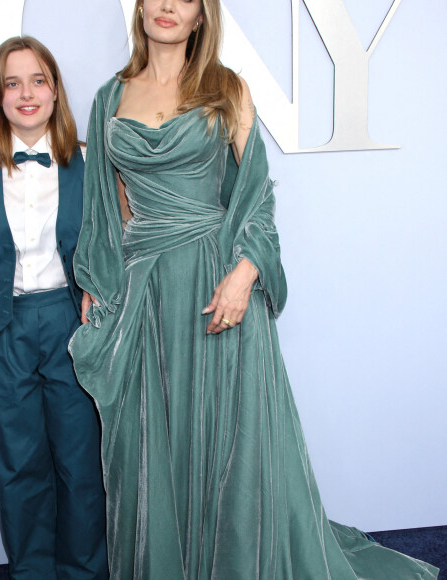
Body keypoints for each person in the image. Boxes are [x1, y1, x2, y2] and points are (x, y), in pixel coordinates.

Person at [68, 1, 439, 579]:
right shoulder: (107, 100)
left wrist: (244, 274)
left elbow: (258, 193)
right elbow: (107, 209)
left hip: (216, 285)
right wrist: (99, 286)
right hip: (149, 295)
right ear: (140, 6)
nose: (168, 5)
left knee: (230, 446)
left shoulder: (226, 89)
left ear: (200, 17)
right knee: (153, 446)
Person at [0, 36, 108, 580]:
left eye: (38, 79)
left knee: (81, 467)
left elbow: (113, 253)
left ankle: (85, 572)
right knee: (20, 469)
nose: (27, 93)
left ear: (56, 90)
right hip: (5, 330)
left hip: (69, 327)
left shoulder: (88, 162)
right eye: (12, 82)